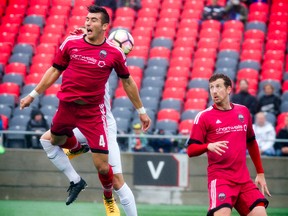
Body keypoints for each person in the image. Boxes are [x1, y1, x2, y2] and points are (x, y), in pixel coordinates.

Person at [20, 5, 151, 216]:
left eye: (93, 20)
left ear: (105, 27)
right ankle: (77, 172)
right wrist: (33, 94)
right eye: (87, 20)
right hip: (70, 110)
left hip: (99, 120)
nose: (88, 23)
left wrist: (141, 110)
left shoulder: (113, 55)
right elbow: (55, 68)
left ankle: (108, 198)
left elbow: (128, 82)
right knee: (48, 140)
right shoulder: (72, 43)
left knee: (111, 176)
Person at [186, 73, 270, 216]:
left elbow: (251, 142)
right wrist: (207, 146)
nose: (214, 91)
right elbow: (191, 150)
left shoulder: (243, 111)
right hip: (220, 180)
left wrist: (260, 173)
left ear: (229, 89)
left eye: (218, 86)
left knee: (260, 213)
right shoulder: (204, 116)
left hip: (243, 180)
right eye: (211, 87)